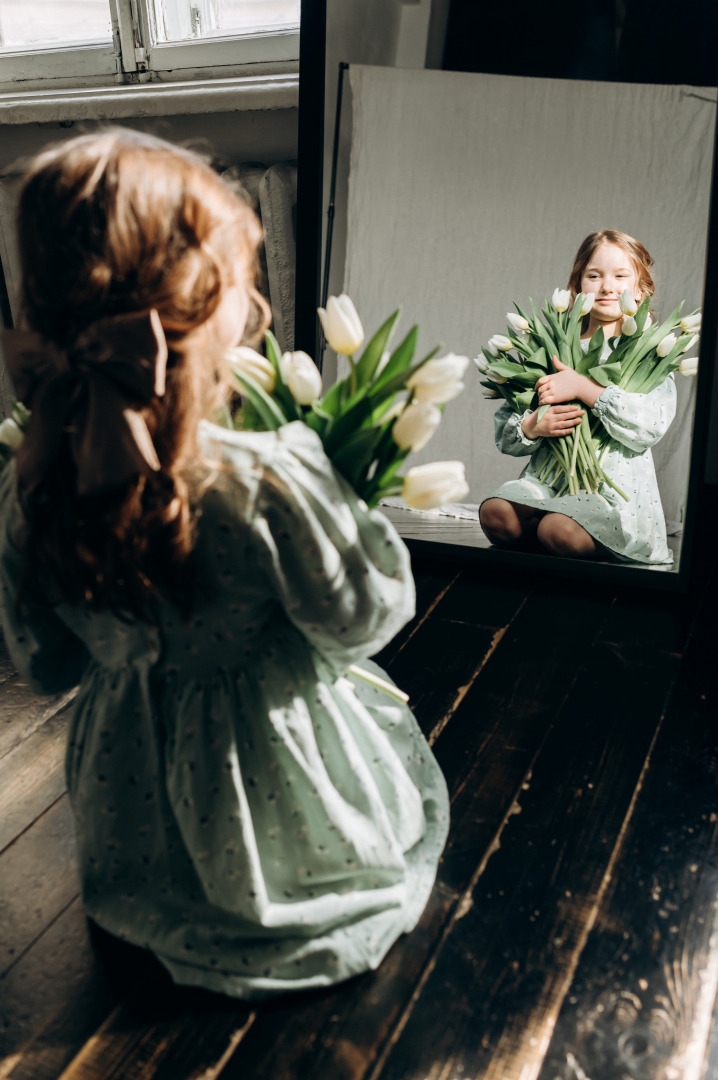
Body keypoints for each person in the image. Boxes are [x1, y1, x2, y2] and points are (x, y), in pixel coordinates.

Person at [0, 130, 449, 999]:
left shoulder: (27, 490)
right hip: (280, 771)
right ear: (201, 311)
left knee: (147, 887)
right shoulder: (266, 476)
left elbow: (47, 663)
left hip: (132, 814)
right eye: (247, 284)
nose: (266, 311)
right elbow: (362, 620)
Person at [479, 229, 676, 565]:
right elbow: (507, 437)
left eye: (621, 276)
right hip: (548, 481)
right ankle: (545, 530)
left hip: (609, 492)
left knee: (559, 529)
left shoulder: (651, 354)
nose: (607, 287)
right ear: (576, 287)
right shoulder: (551, 349)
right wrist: (532, 426)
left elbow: (650, 428)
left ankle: (563, 535)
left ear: (640, 290)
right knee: (496, 514)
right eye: (594, 275)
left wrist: (583, 389)